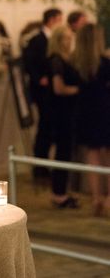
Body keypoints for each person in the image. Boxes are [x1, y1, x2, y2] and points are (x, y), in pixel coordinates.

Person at [73, 23, 110, 216]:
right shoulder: (105, 63)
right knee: (108, 156)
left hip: (85, 112)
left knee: (92, 155)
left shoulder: (76, 63)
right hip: (105, 110)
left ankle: (96, 197)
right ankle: (108, 198)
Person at [22, 8, 63, 175]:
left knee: (50, 125)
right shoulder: (37, 40)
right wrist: (40, 78)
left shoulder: (55, 39)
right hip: (42, 91)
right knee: (44, 126)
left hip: (53, 92)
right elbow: (28, 63)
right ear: (52, 20)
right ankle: (40, 167)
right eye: (60, 19)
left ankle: (45, 164)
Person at [47, 25, 80, 208]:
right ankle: (58, 194)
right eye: (66, 38)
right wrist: (79, 90)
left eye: (70, 38)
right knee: (62, 151)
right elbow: (59, 88)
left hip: (68, 112)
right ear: (58, 40)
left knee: (66, 151)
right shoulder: (56, 60)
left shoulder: (66, 58)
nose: (70, 41)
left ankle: (63, 191)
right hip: (61, 113)